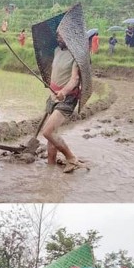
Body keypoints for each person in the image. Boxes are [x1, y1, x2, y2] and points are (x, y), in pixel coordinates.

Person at [41, 31, 83, 173]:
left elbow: (74, 79)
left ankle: (71, 158)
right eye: (57, 35)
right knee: (52, 136)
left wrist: (63, 92)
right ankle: (50, 168)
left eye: (62, 36)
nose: (58, 38)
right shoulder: (57, 50)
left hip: (67, 98)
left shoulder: (76, 57)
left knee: (47, 132)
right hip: (53, 96)